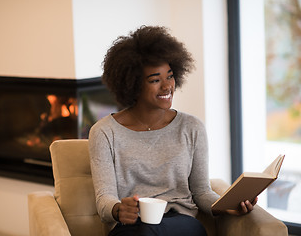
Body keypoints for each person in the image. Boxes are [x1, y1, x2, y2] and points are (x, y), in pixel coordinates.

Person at [88, 25, 257, 236]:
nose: (167, 87)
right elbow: (104, 199)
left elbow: (202, 192)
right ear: (132, 84)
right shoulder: (104, 133)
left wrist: (227, 205)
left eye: (169, 76)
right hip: (131, 228)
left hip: (181, 223)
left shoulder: (191, 127)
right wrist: (119, 209)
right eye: (155, 80)